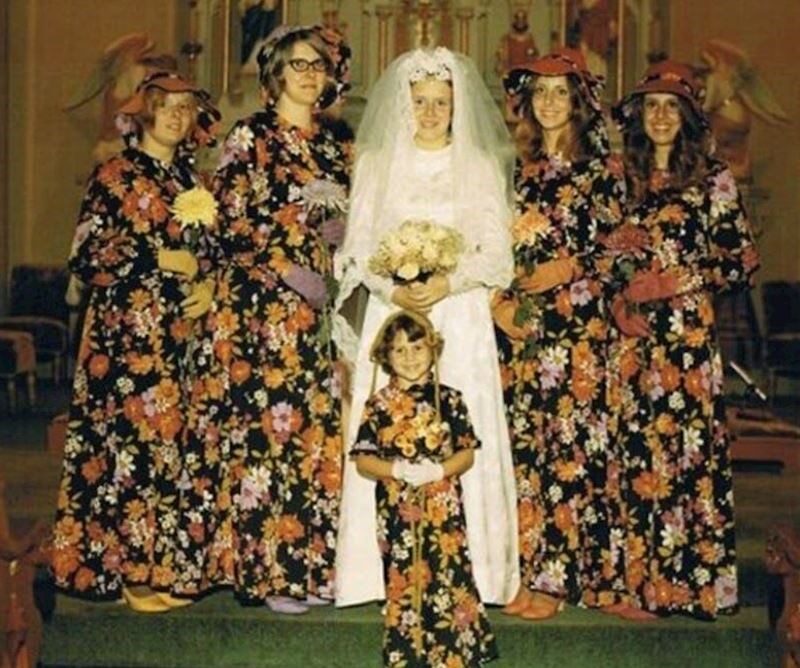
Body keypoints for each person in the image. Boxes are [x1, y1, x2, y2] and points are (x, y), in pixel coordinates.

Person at [171, 25, 351, 614]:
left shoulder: (333, 146)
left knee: (310, 435)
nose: (310, 74)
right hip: (258, 306)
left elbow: (339, 220)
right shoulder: (251, 135)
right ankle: (269, 571)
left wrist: (339, 234)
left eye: (318, 65)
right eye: (298, 64)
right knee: (267, 436)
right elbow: (227, 220)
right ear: (275, 74)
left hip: (314, 309)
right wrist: (285, 266)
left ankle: (308, 565)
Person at [335, 46, 520, 608]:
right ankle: (375, 573)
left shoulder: (480, 164)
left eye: (442, 102)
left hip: (458, 312)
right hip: (393, 313)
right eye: (420, 101)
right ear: (403, 103)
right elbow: (358, 249)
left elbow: (498, 255)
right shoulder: (376, 163)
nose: (432, 112)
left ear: (458, 106)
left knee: (461, 424)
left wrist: (448, 281)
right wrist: (394, 290)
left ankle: (476, 571)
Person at [51, 71, 220, 613]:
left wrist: (208, 286)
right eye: (166, 106)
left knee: (174, 452)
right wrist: (157, 257)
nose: (176, 115)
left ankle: (165, 566)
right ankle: (126, 570)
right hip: (127, 337)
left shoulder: (194, 182)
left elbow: (212, 253)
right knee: (130, 451)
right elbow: (86, 254)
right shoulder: (115, 174)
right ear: (145, 112)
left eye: (185, 107)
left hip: (180, 339)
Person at [607, 60, 759, 620]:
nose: (661, 116)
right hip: (632, 339)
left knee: (686, 454)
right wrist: (619, 298)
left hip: (687, 337)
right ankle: (640, 586)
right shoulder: (621, 176)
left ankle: (691, 586)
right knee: (636, 452)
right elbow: (603, 253)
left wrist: (678, 281)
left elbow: (740, 260)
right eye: (652, 106)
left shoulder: (712, 177)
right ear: (638, 115)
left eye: (672, 107)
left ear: (689, 116)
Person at [493, 48, 625, 619]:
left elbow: (621, 251)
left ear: (579, 103)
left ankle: (563, 576)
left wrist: (567, 268)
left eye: (560, 93)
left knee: (572, 448)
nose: (548, 102)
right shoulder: (513, 171)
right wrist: (499, 300)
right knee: (526, 448)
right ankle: (525, 567)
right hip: (523, 329)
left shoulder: (603, 171)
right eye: (540, 92)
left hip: (579, 330)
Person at [352, 310, 498, 667]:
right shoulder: (378, 405)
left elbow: (466, 453)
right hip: (397, 509)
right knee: (404, 575)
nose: (410, 357)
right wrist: (396, 469)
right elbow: (364, 460)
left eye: (417, 347)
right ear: (386, 356)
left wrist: (439, 470)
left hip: (442, 507)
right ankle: (409, 654)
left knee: (448, 572)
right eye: (399, 350)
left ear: (432, 349)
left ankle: (456, 652)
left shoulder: (450, 399)